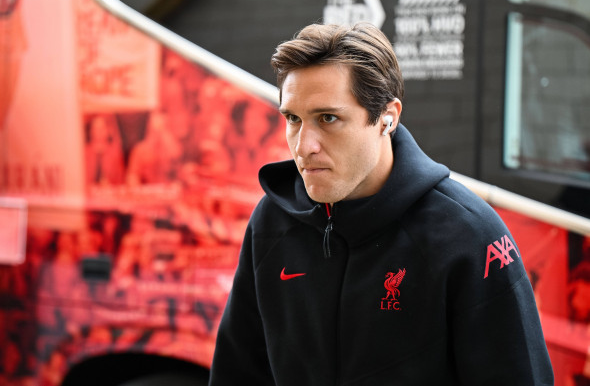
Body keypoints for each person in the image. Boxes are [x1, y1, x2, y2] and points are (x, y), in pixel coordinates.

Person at [208, 22, 554, 385]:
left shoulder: (468, 234)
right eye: (293, 119)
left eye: (328, 118)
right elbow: (238, 371)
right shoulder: (272, 221)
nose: (303, 145)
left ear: (387, 117)